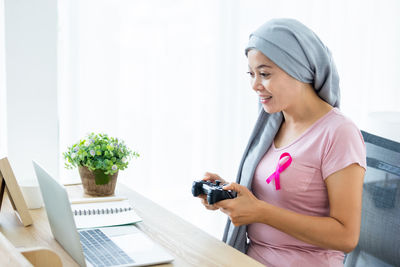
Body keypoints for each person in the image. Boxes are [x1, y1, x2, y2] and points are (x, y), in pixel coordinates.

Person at [198, 18, 366, 267]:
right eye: (251, 74)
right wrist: (233, 197)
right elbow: (271, 199)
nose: (255, 85)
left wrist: (261, 212)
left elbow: (346, 236)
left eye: (264, 74)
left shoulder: (339, 133)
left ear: (298, 69)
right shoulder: (272, 125)